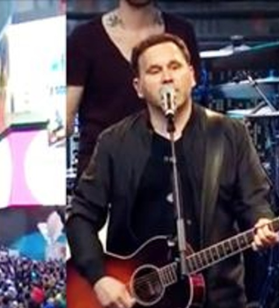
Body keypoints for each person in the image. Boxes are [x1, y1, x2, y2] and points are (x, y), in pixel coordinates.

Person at [66, 33, 279, 308]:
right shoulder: (114, 143)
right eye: (154, 70)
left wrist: (262, 223)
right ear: (138, 86)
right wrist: (99, 278)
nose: (166, 76)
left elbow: (254, 202)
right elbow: (80, 216)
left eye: (174, 66)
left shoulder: (229, 134)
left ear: (192, 76)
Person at [66, 0, 201, 177]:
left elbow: (192, 106)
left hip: (167, 172)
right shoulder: (85, 39)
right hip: (103, 178)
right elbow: (66, 116)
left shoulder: (181, 32)